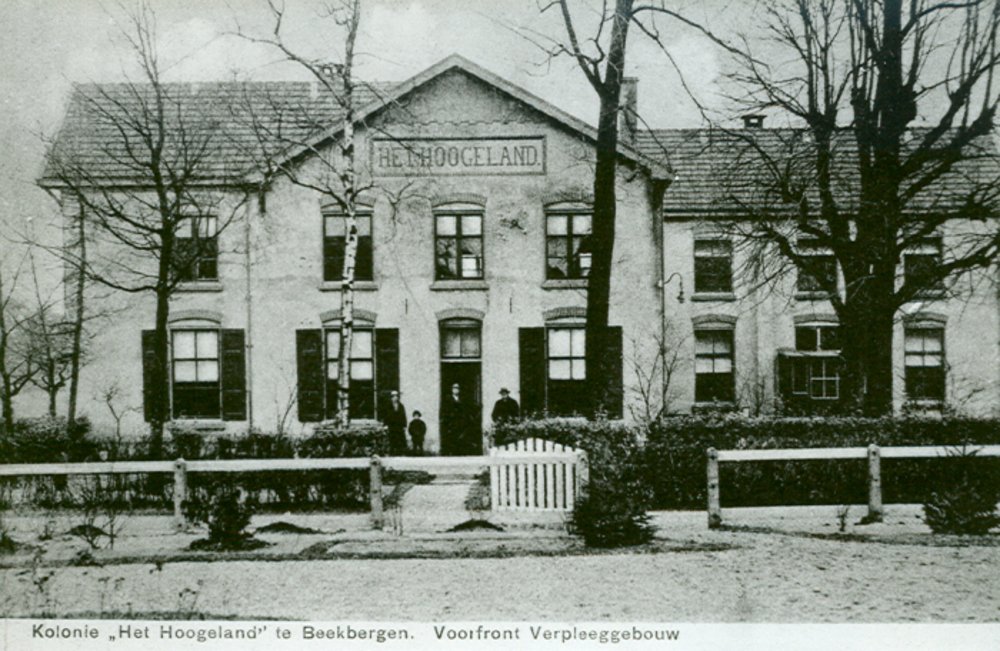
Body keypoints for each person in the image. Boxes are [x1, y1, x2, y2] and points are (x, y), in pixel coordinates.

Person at [441, 382, 477, 456]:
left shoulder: (462, 399)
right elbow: (445, 410)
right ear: (452, 390)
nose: (456, 390)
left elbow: (465, 409)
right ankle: (451, 452)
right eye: (454, 388)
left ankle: (460, 452)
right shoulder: (448, 399)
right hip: (452, 421)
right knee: (452, 437)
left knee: (461, 436)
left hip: (460, 421)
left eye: (457, 388)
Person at [381, 390, 408, 455]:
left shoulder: (401, 406)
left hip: (399, 426)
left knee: (400, 439)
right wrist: (385, 425)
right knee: (392, 439)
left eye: (396, 396)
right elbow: (386, 416)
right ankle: (392, 452)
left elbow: (403, 416)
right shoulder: (388, 406)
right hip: (391, 425)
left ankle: (400, 452)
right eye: (394, 396)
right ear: (391, 397)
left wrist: (404, 425)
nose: (395, 398)